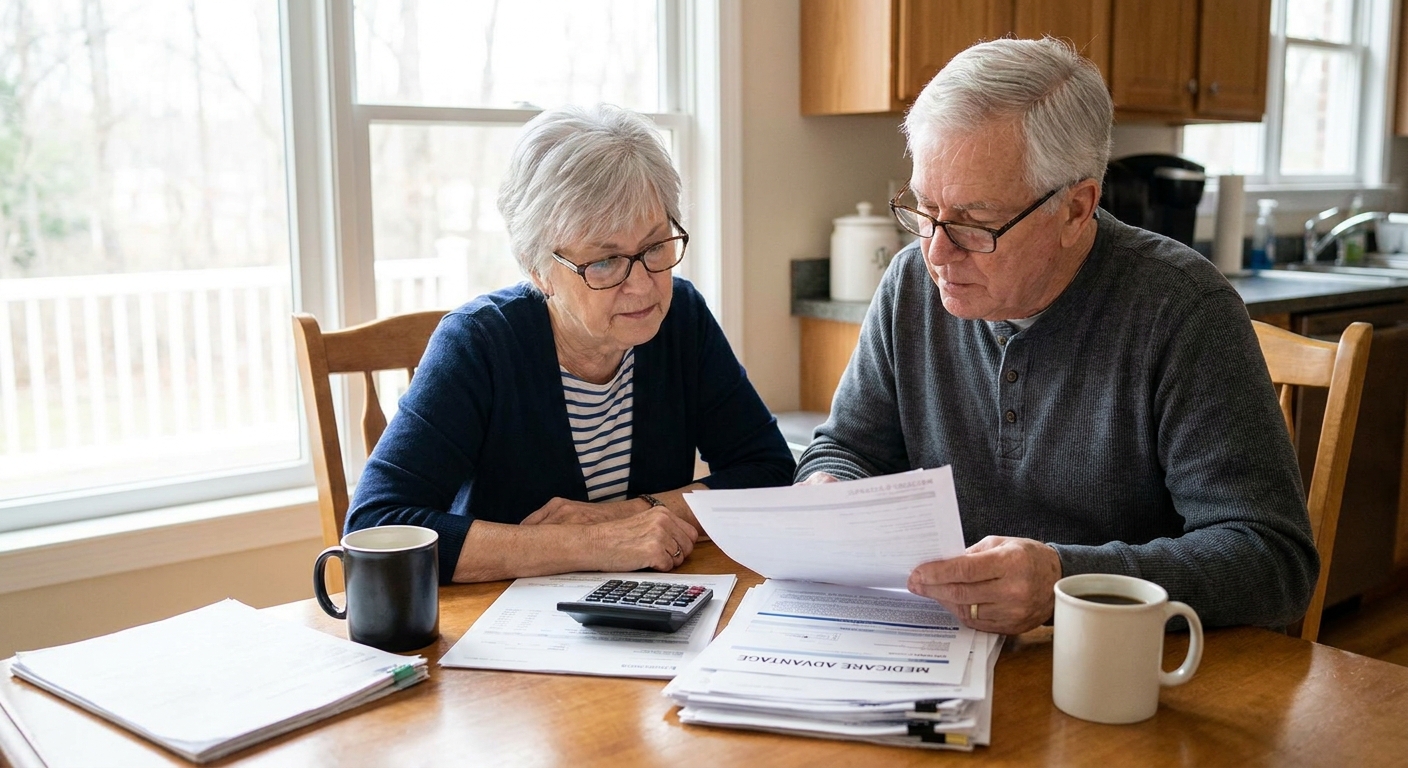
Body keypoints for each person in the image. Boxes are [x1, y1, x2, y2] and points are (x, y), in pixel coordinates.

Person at [795, 38, 1318, 635]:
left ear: (1075, 209)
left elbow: (1272, 563)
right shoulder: (910, 283)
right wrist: (829, 490)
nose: (937, 253)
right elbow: (846, 447)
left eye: (974, 222)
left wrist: (1066, 583)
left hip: (1122, 672)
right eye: (923, 209)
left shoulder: (1181, 309)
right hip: (949, 646)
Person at [347, 104, 795, 583]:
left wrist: (619, 515)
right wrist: (592, 544)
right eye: (604, 262)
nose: (642, 286)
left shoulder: (681, 317)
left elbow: (769, 472)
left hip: (650, 608)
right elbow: (379, 526)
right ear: (540, 270)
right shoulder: (478, 344)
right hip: (502, 629)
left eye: (655, 247)